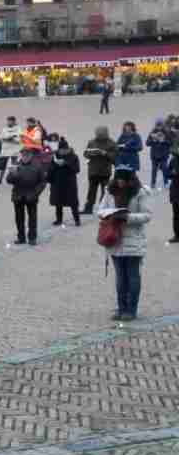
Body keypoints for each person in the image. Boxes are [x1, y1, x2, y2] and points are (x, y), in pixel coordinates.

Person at [98, 166, 151, 321]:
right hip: (114, 239)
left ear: (130, 180)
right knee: (121, 277)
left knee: (133, 276)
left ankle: (131, 309)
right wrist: (108, 214)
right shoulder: (110, 190)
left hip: (134, 239)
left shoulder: (140, 192)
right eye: (118, 179)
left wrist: (127, 217)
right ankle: (121, 308)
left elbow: (147, 215)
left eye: (123, 180)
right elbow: (100, 210)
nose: (120, 183)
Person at [6, 148, 47, 245]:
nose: (25, 157)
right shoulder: (16, 166)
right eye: (23, 155)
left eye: (27, 155)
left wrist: (36, 193)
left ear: (31, 155)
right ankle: (21, 238)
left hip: (31, 196)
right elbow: (9, 180)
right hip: (18, 196)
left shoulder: (37, 166)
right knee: (19, 219)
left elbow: (43, 182)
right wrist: (13, 174)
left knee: (32, 218)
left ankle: (32, 238)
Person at [82, 126, 118, 214]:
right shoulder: (91, 142)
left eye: (102, 134)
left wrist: (105, 153)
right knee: (91, 191)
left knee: (105, 191)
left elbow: (115, 157)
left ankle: (103, 208)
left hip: (105, 171)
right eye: (98, 134)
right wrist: (91, 153)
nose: (100, 136)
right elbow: (85, 153)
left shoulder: (112, 143)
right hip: (93, 170)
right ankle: (88, 208)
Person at [49, 139, 82, 227]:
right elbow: (50, 169)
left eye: (65, 149)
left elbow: (77, 169)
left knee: (73, 203)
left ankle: (77, 220)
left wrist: (66, 164)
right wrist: (56, 165)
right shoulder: (54, 156)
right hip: (57, 183)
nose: (63, 151)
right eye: (61, 149)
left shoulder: (74, 157)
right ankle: (59, 220)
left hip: (69, 184)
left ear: (68, 149)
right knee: (58, 203)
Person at [147, 119, 172, 188]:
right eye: (158, 125)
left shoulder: (167, 133)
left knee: (164, 168)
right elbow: (147, 143)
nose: (159, 127)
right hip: (154, 155)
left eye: (160, 125)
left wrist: (163, 140)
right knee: (154, 170)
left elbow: (170, 143)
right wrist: (153, 140)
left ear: (163, 125)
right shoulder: (152, 132)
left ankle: (166, 182)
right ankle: (153, 183)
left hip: (164, 155)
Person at [167, 146, 179, 243]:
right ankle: (177, 235)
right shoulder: (173, 160)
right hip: (175, 191)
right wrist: (172, 172)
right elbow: (167, 173)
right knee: (176, 215)